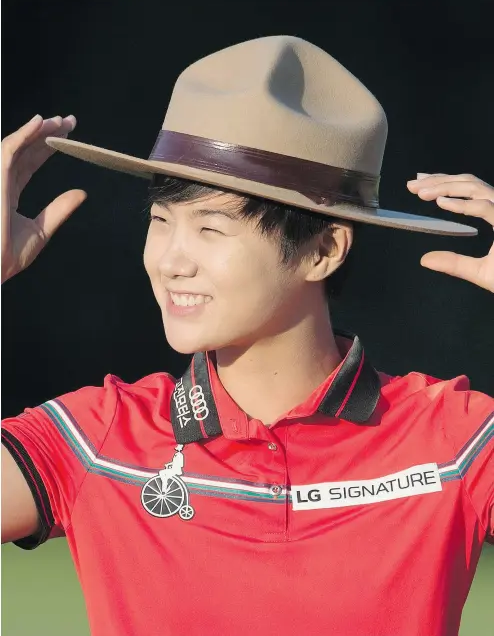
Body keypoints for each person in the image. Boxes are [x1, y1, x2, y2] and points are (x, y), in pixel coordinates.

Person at [1, 36, 493, 636]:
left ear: (322, 249)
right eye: (161, 222)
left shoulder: (452, 443)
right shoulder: (99, 440)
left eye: (211, 227)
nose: (171, 260)